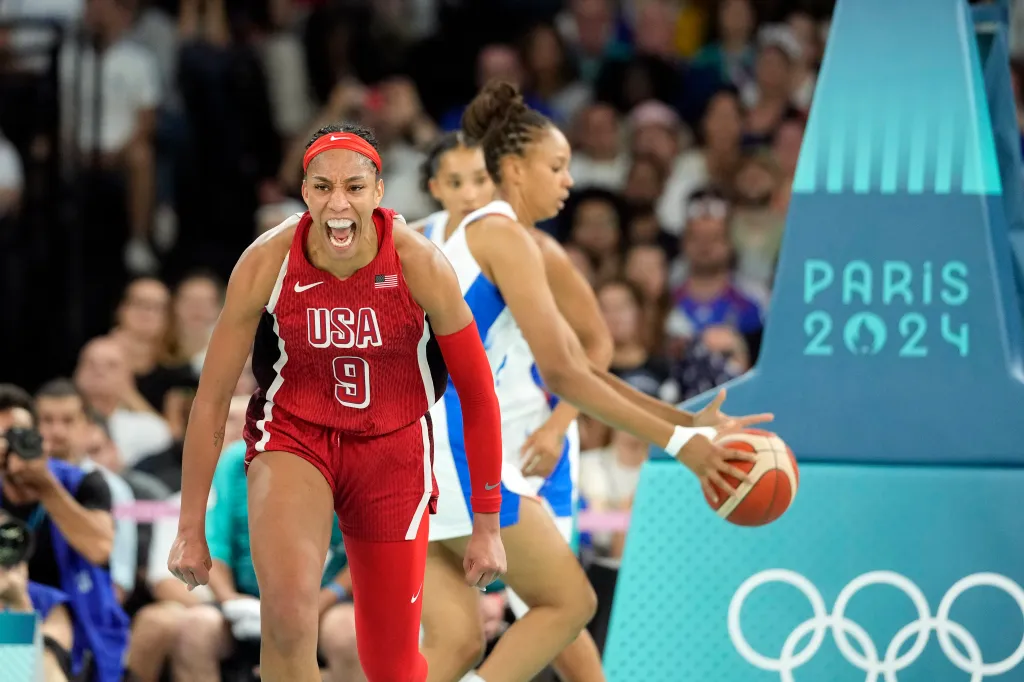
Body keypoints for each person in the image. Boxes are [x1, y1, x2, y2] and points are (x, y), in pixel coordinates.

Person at [419, 80, 772, 682]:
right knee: (569, 604)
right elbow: (567, 373)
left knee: (453, 648)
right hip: (451, 450)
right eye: (556, 166)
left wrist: (686, 423)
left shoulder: (462, 232)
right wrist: (682, 444)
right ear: (512, 167)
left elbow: (580, 365)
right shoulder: (504, 235)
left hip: (407, 452)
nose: (569, 181)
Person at [167, 122, 508, 682]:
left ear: (378, 193)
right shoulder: (267, 261)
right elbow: (211, 400)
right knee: (287, 619)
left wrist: (487, 522)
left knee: (391, 663)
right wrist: (189, 524)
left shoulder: (419, 263)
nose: (338, 202)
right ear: (304, 193)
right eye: (322, 187)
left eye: (353, 186)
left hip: (393, 444)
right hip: (295, 436)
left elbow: (477, 393)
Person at [414, 134, 612, 682]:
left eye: (481, 179)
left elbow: (595, 346)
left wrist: (557, 426)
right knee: (547, 609)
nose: (472, 193)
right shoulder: (416, 242)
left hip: (533, 443)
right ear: (434, 188)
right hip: (458, 443)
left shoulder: (529, 246)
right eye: (457, 182)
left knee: (536, 613)